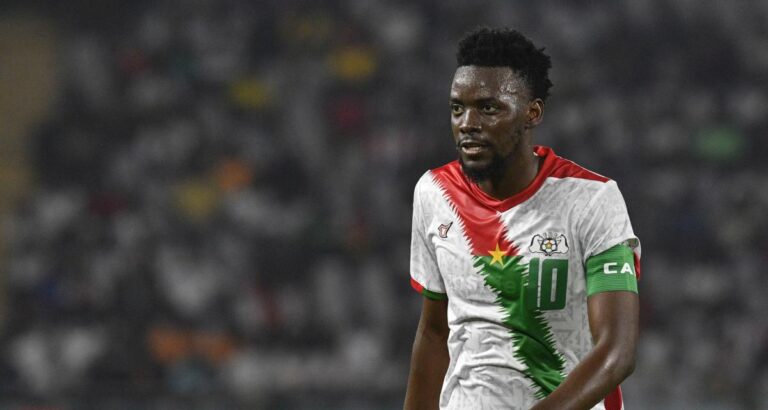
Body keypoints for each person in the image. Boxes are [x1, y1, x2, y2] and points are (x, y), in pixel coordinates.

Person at [404, 27, 641, 410]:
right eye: (457, 108)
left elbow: (616, 352)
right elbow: (434, 333)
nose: (467, 123)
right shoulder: (434, 192)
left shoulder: (592, 199)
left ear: (532, 113)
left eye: (489, 108)